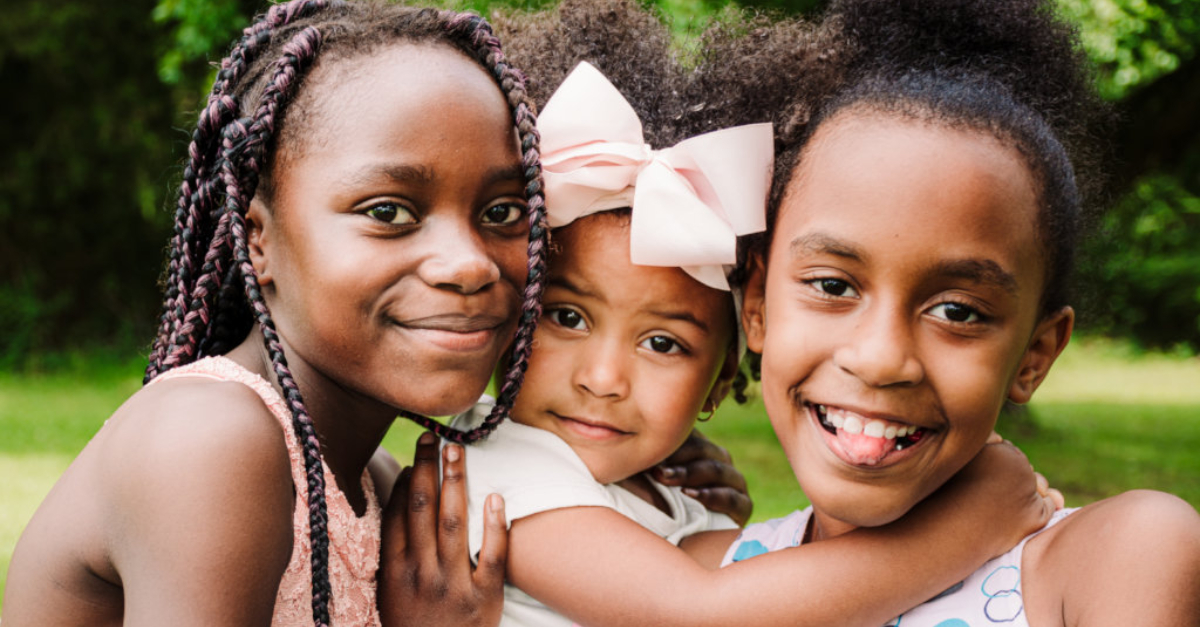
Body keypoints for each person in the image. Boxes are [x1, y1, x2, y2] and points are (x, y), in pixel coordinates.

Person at [431, 3, 1063, 626]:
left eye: (663, 343)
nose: (602, 378)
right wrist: (965, 528)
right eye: (566, 318)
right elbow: (699, 614)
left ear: (722, 375)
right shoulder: (488, 462)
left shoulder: (689, 515)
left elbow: (783, 590)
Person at [2, 1, 548, 624]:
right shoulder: (209, 441)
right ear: (256, 239)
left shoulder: (375, 478)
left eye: (503, 211)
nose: (469, 264)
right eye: (388, 212)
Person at [715, 0, 1200, 624]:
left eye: (958, 311)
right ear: (756, 305)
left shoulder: (1117, 558)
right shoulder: (708, 568)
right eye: (834, 286)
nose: (882, 357)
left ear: (1035, 355)